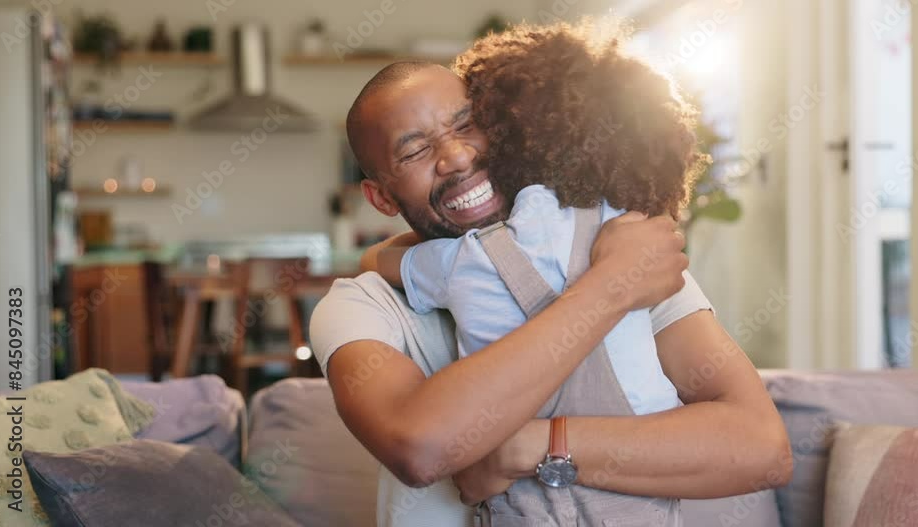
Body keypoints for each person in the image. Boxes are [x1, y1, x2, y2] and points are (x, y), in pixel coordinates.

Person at [310, 36, 792, 527]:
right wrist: (611, 288)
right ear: (381, 198)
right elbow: (422, 449)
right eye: (414, 151)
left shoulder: (615, 243)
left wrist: (525, 448)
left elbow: (761, 449)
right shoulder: (359, 307)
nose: (454, 156)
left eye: (467, 125)